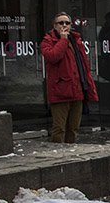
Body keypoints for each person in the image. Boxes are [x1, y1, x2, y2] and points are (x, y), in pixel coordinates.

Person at [41, 12, 97, 144]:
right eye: (61, 23)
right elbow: (53, 57)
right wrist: (63, 39)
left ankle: (70, 151)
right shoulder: (48, 41)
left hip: (77, 90)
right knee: (59, 129)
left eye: (67, 23)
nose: (64, 25)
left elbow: (83, 65)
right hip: (60, 92)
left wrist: (87, 85)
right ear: (54, 26)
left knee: (73, 128)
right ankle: (57, 153)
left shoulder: (76, 40)